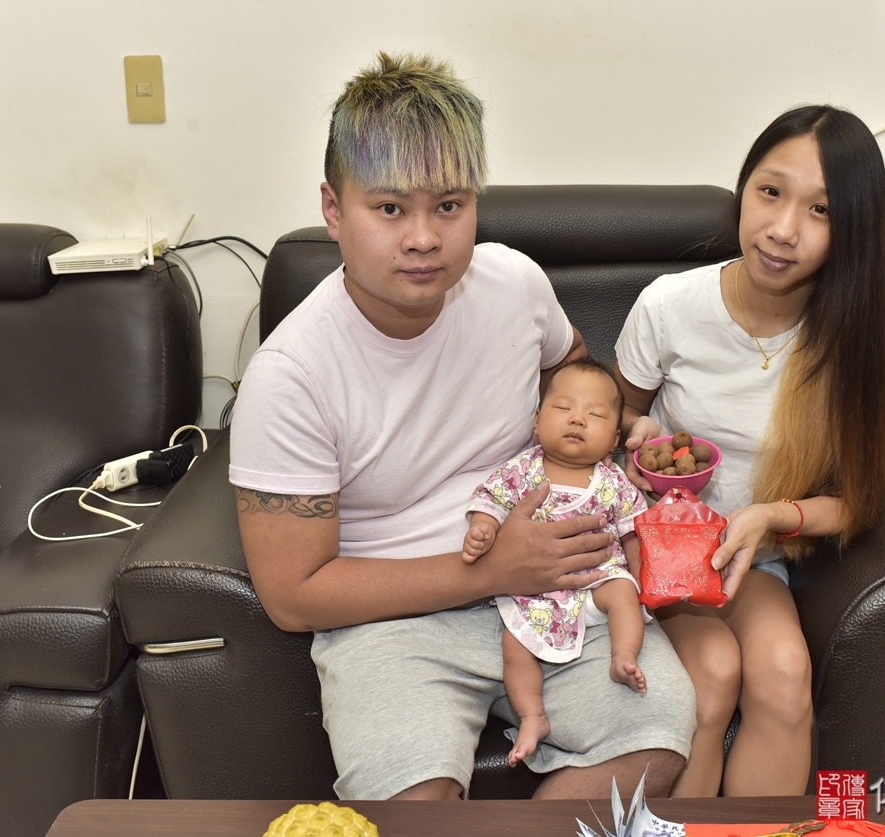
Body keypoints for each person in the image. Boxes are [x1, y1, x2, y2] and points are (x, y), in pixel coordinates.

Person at [229, 52, 695, 802]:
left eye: (448, 205)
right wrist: (494, 570)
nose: (423, 238)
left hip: (561, 586)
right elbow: (293, 593)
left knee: (657, 738)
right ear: (333, 209)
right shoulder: (291, 375)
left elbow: (567, 367)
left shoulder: (512, 283)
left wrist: (608, 437)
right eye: (389, 209)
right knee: (414, 805)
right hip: (394, 617)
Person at [613, 105, 885, 797]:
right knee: (714, 673)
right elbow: (621, 414)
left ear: (854, 228)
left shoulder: (860, 340)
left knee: (783, 675)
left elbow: (860, 500)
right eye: (770, 192)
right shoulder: (669, 305)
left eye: (820, 210)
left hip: (753, 558)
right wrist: (635, 438)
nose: (782, 229)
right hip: (658, 545)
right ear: (743, 189)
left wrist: (774, 516)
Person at [462, 359, 649, 768]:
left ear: (615, 439)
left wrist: (643, 580)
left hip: (597, 580)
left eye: (595, 415)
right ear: (536, 421)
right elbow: (491, 502)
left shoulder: (615, 482)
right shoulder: (522, 470)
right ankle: (532, 716)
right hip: (536, 592)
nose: (577, 419)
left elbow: (634, 534)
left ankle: (623, 655)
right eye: (563, 408)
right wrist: (482, 528)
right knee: (514, 643)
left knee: (624, 592)